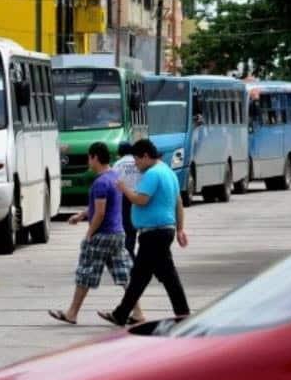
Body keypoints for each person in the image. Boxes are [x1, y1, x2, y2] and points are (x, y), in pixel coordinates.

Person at [49, 142, 144, 325]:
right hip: (117, 234)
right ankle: (138, 312)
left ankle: (72, 313)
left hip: (102, 234)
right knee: (123, 273)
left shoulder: (100, 183)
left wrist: (89, 233)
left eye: (89, 157)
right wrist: (82, 215)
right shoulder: (114, 177)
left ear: (95, 158)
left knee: (85, 273)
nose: (88, 161)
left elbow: (100, 213)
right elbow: (99, 208)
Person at [99, 139, 190, 327]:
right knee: (144, 276)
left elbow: (141, 200)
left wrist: (124, 188)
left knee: (159, 276)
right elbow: (178, 202)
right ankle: (122, 313)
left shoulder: (153, 174)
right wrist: (180, 228)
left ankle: (182, 313)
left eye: (137, 160)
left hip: (154, 234)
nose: (136, 164)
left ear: (146, 156)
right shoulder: (168, 172)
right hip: (162, 232)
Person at [112, 141, 141, 258]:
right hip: (140, 196)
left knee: (127, 226)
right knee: (136, 226)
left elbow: (113, 181)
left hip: (124, 197)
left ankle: (128, 251)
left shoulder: (118, 164)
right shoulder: (138, 162)